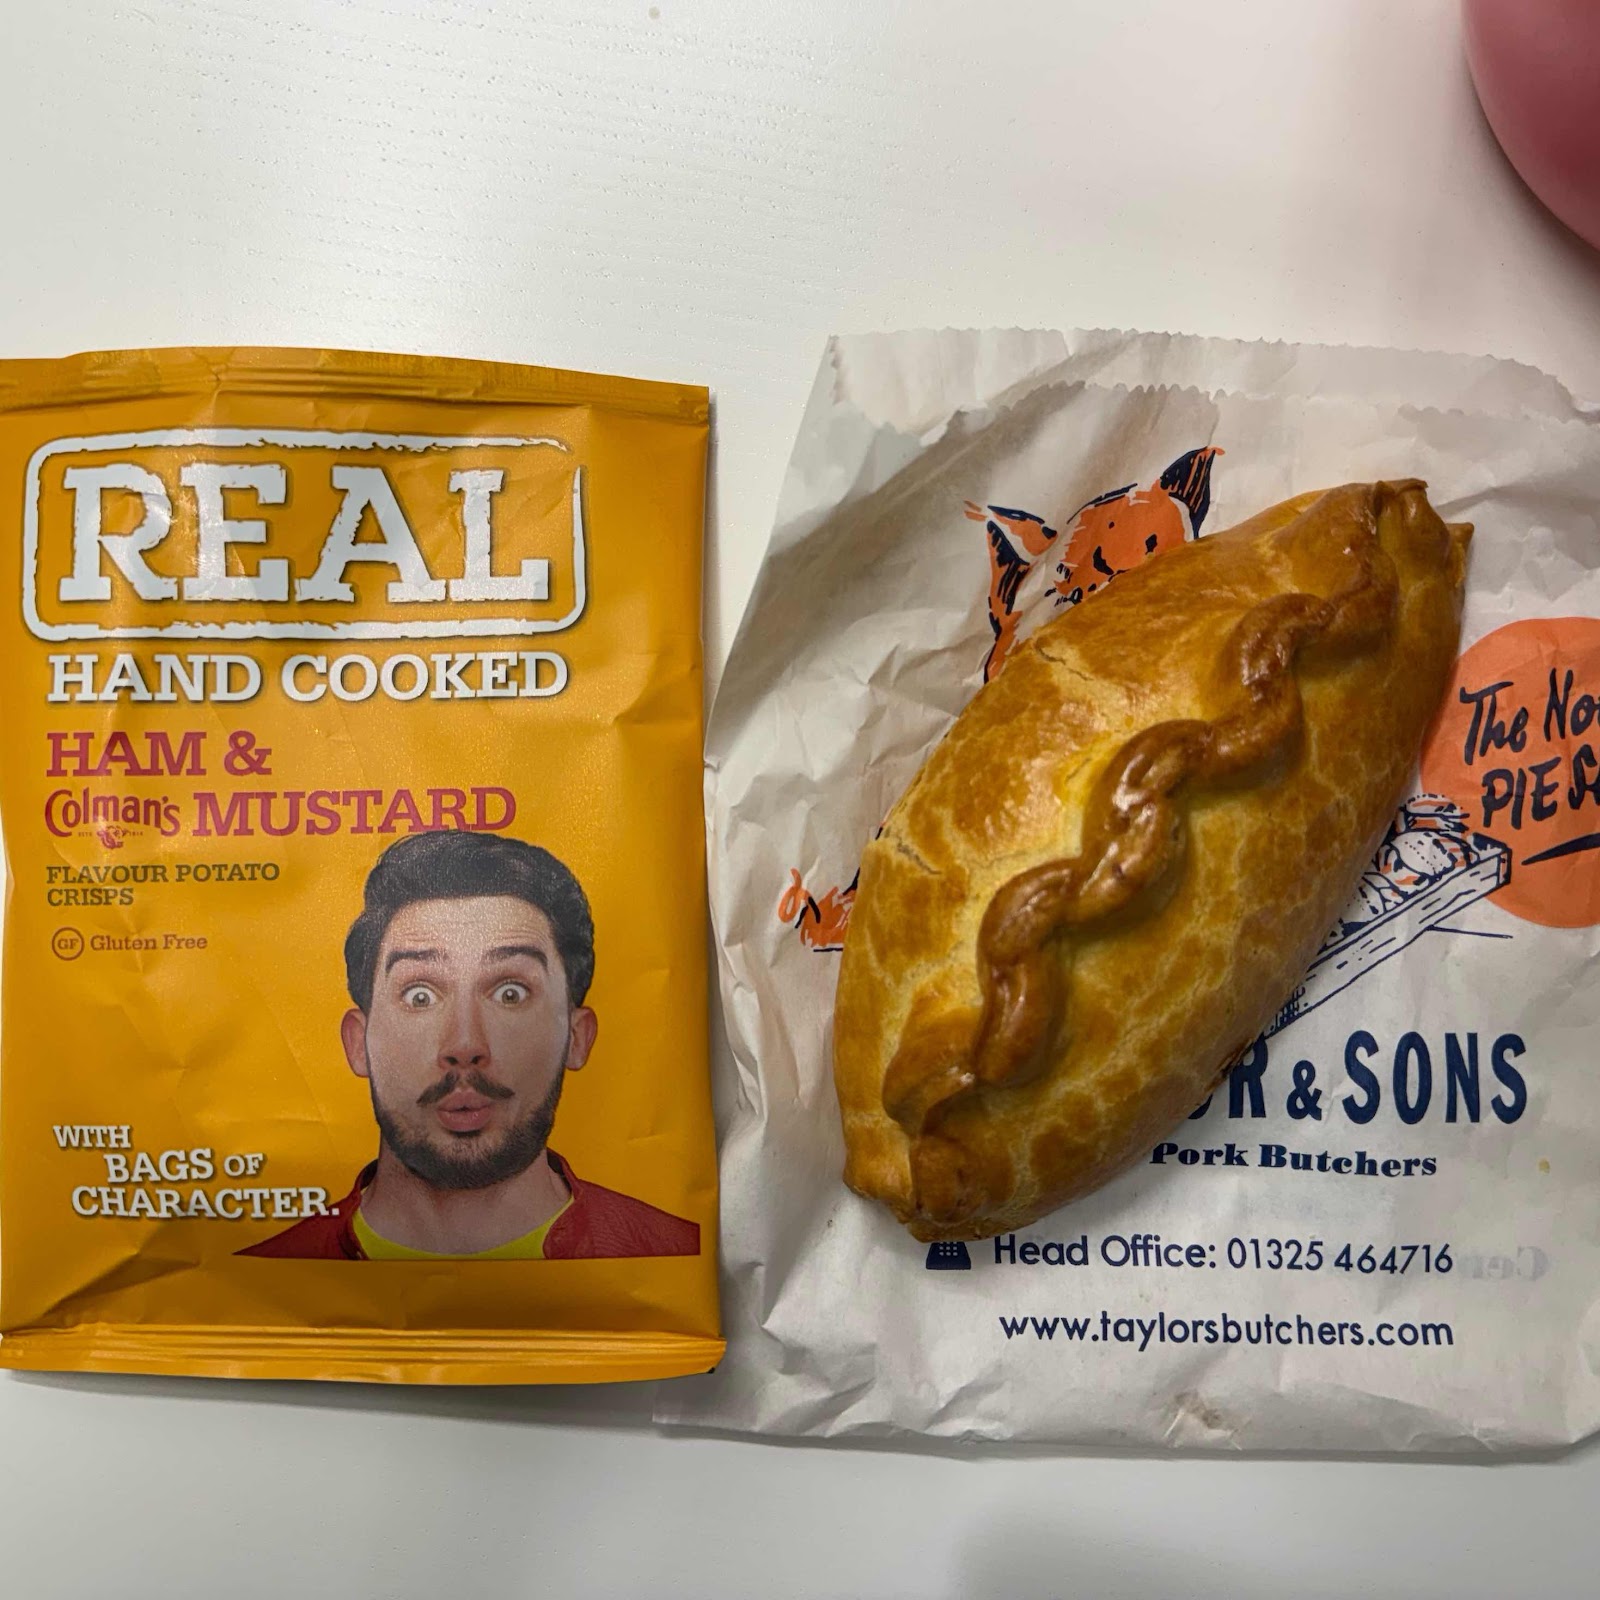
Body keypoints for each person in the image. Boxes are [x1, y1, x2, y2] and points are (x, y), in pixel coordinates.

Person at [241, 831, 699, 1260]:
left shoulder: (674, 1258)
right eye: (420, 995)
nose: (464, 1044)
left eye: (510, 993)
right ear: (358, 1043)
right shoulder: (259, 1282)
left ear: (577, 1037)